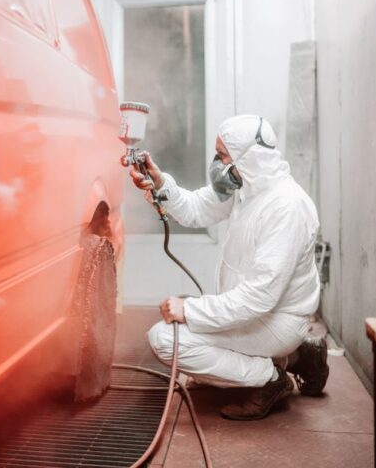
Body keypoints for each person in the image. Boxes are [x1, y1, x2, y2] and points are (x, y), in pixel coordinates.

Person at [129, 114, 329, 420]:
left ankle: (271, 378)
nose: (217, 165)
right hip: (256, 315)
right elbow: (195, 210)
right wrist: (161, 183)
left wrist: (190, 311)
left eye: (223, 156)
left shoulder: (286, 208)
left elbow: (259, 298)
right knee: (186, 310)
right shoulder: (246, 186)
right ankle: (301, 356)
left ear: (248, 157)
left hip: (274, 320)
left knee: (165, 338)